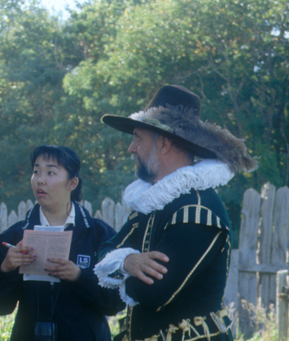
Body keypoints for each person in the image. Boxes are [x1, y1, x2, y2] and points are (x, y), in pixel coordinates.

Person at [94, 85, 257, 341]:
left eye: (138, 138)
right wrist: (127, 261)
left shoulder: (198, 210)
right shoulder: (152, 203)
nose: (131, 148)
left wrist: (118, 266)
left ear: (165, 143)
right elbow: (104, 250)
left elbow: (154, 295)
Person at [0, 145, 125, 341]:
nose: (40, 180)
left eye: (50, 172)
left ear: (72, 183)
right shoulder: (14, 236)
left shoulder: (100, 235)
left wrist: (79, 277)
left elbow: (116, 302)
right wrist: (6, 268)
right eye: (36, 172)